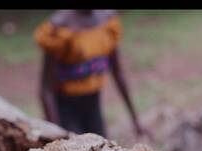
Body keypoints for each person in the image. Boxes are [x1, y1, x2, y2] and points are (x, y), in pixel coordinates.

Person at [34, 9, 148, 138]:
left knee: (102, 150)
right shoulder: (60, 26)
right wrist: (55, 134)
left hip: (93, 104)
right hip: (65, 108)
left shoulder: (107, 21)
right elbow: (46, 88)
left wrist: (135, 120)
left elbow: (118, 72)